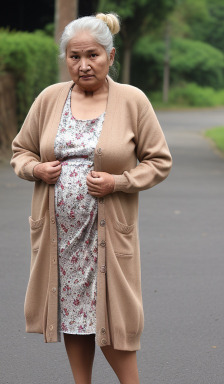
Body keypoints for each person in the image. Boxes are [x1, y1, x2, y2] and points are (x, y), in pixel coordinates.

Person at [11, 12, 172, 384]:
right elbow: (21, 151)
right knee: (72, 314)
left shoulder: (132, 100)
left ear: (110, 57)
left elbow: (159, 161)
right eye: (74, 56)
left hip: (108, 236)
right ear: (65, 58)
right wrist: (37, 170)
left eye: (93, 55)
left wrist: (118, 182)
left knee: (113, 317)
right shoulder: (50, 98)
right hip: (60, 237)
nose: (83, 65)